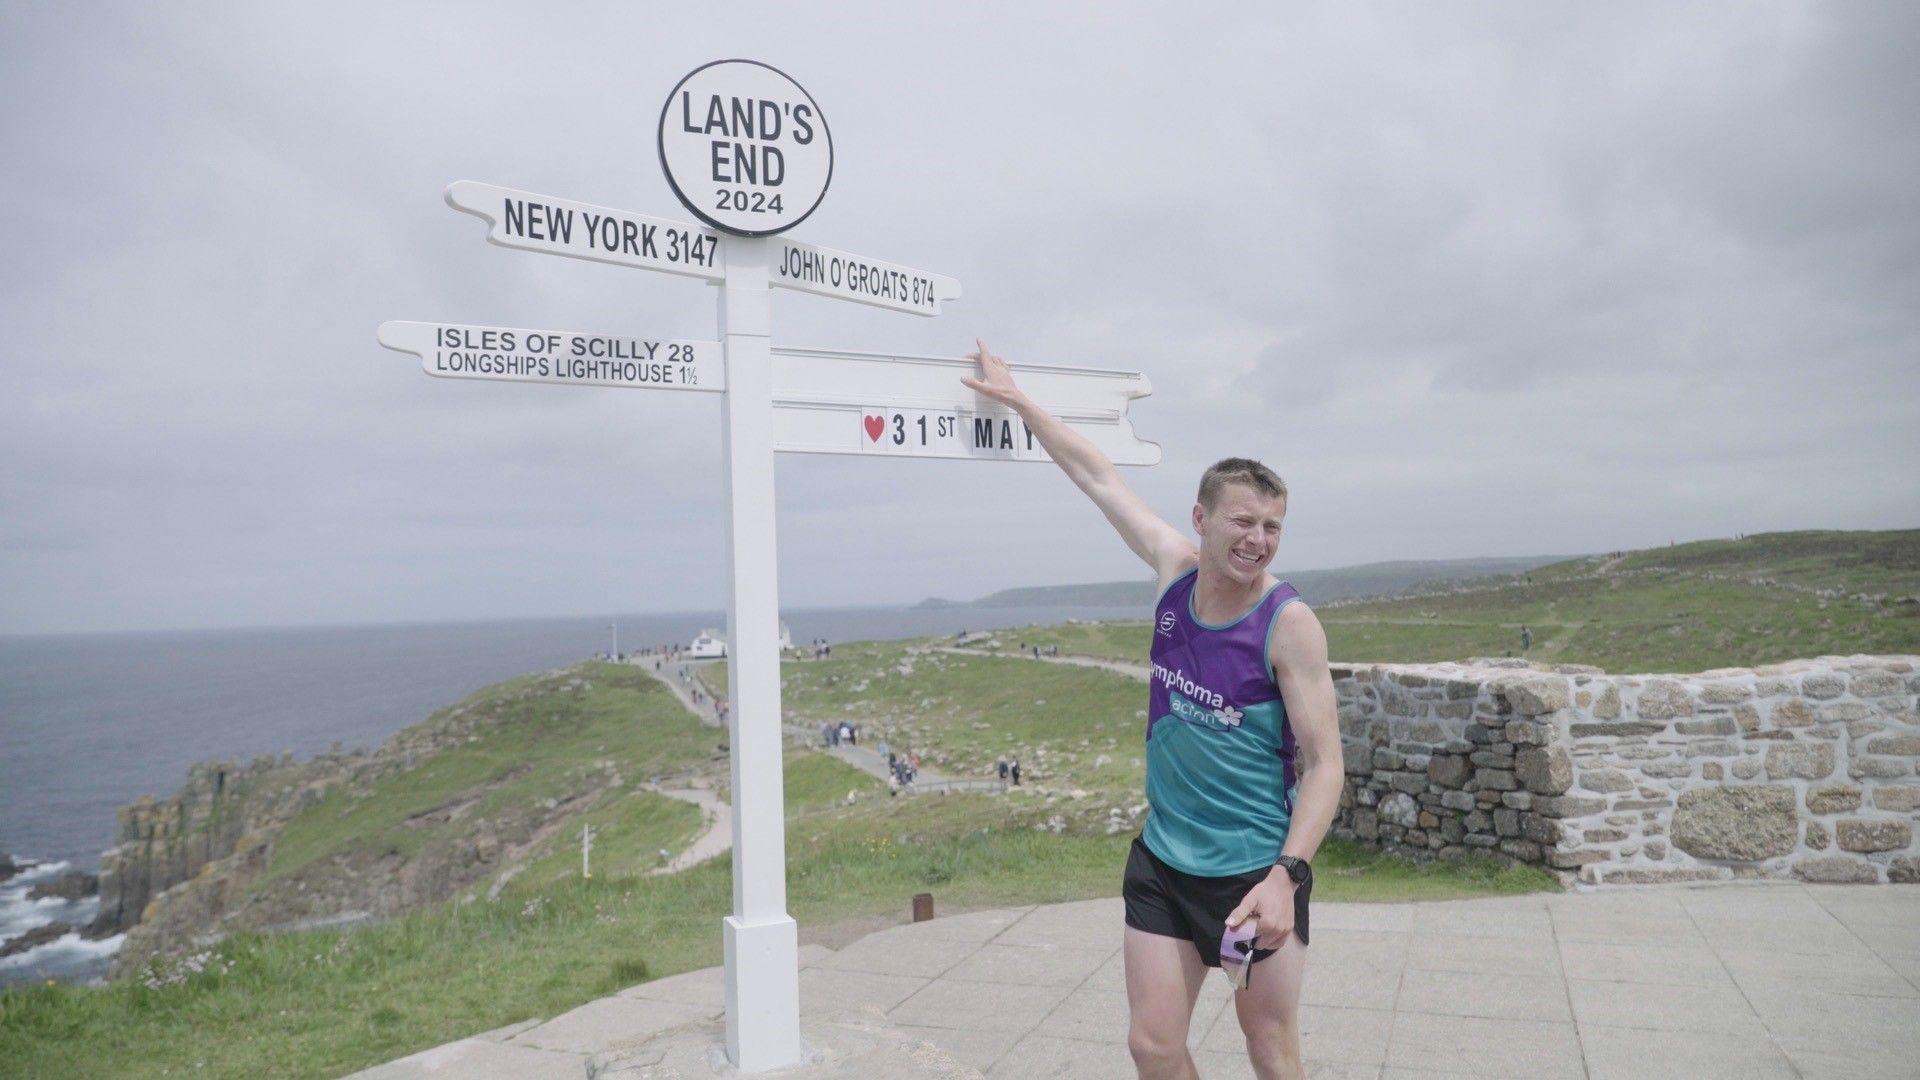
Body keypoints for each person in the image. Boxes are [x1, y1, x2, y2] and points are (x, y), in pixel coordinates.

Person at [963, 340, 1342, 1080]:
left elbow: (1327, 765)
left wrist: (1285, 876)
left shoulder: (1288, 624)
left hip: (1252, 876)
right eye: (1242, 522)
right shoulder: (1174, 572)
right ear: (1201, 518)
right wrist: (1020, 402)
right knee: (1153, 1046)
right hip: (1165, 862)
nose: (1257, 541)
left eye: (1271, 527)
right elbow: (1096, 475)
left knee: (1269, 1049)